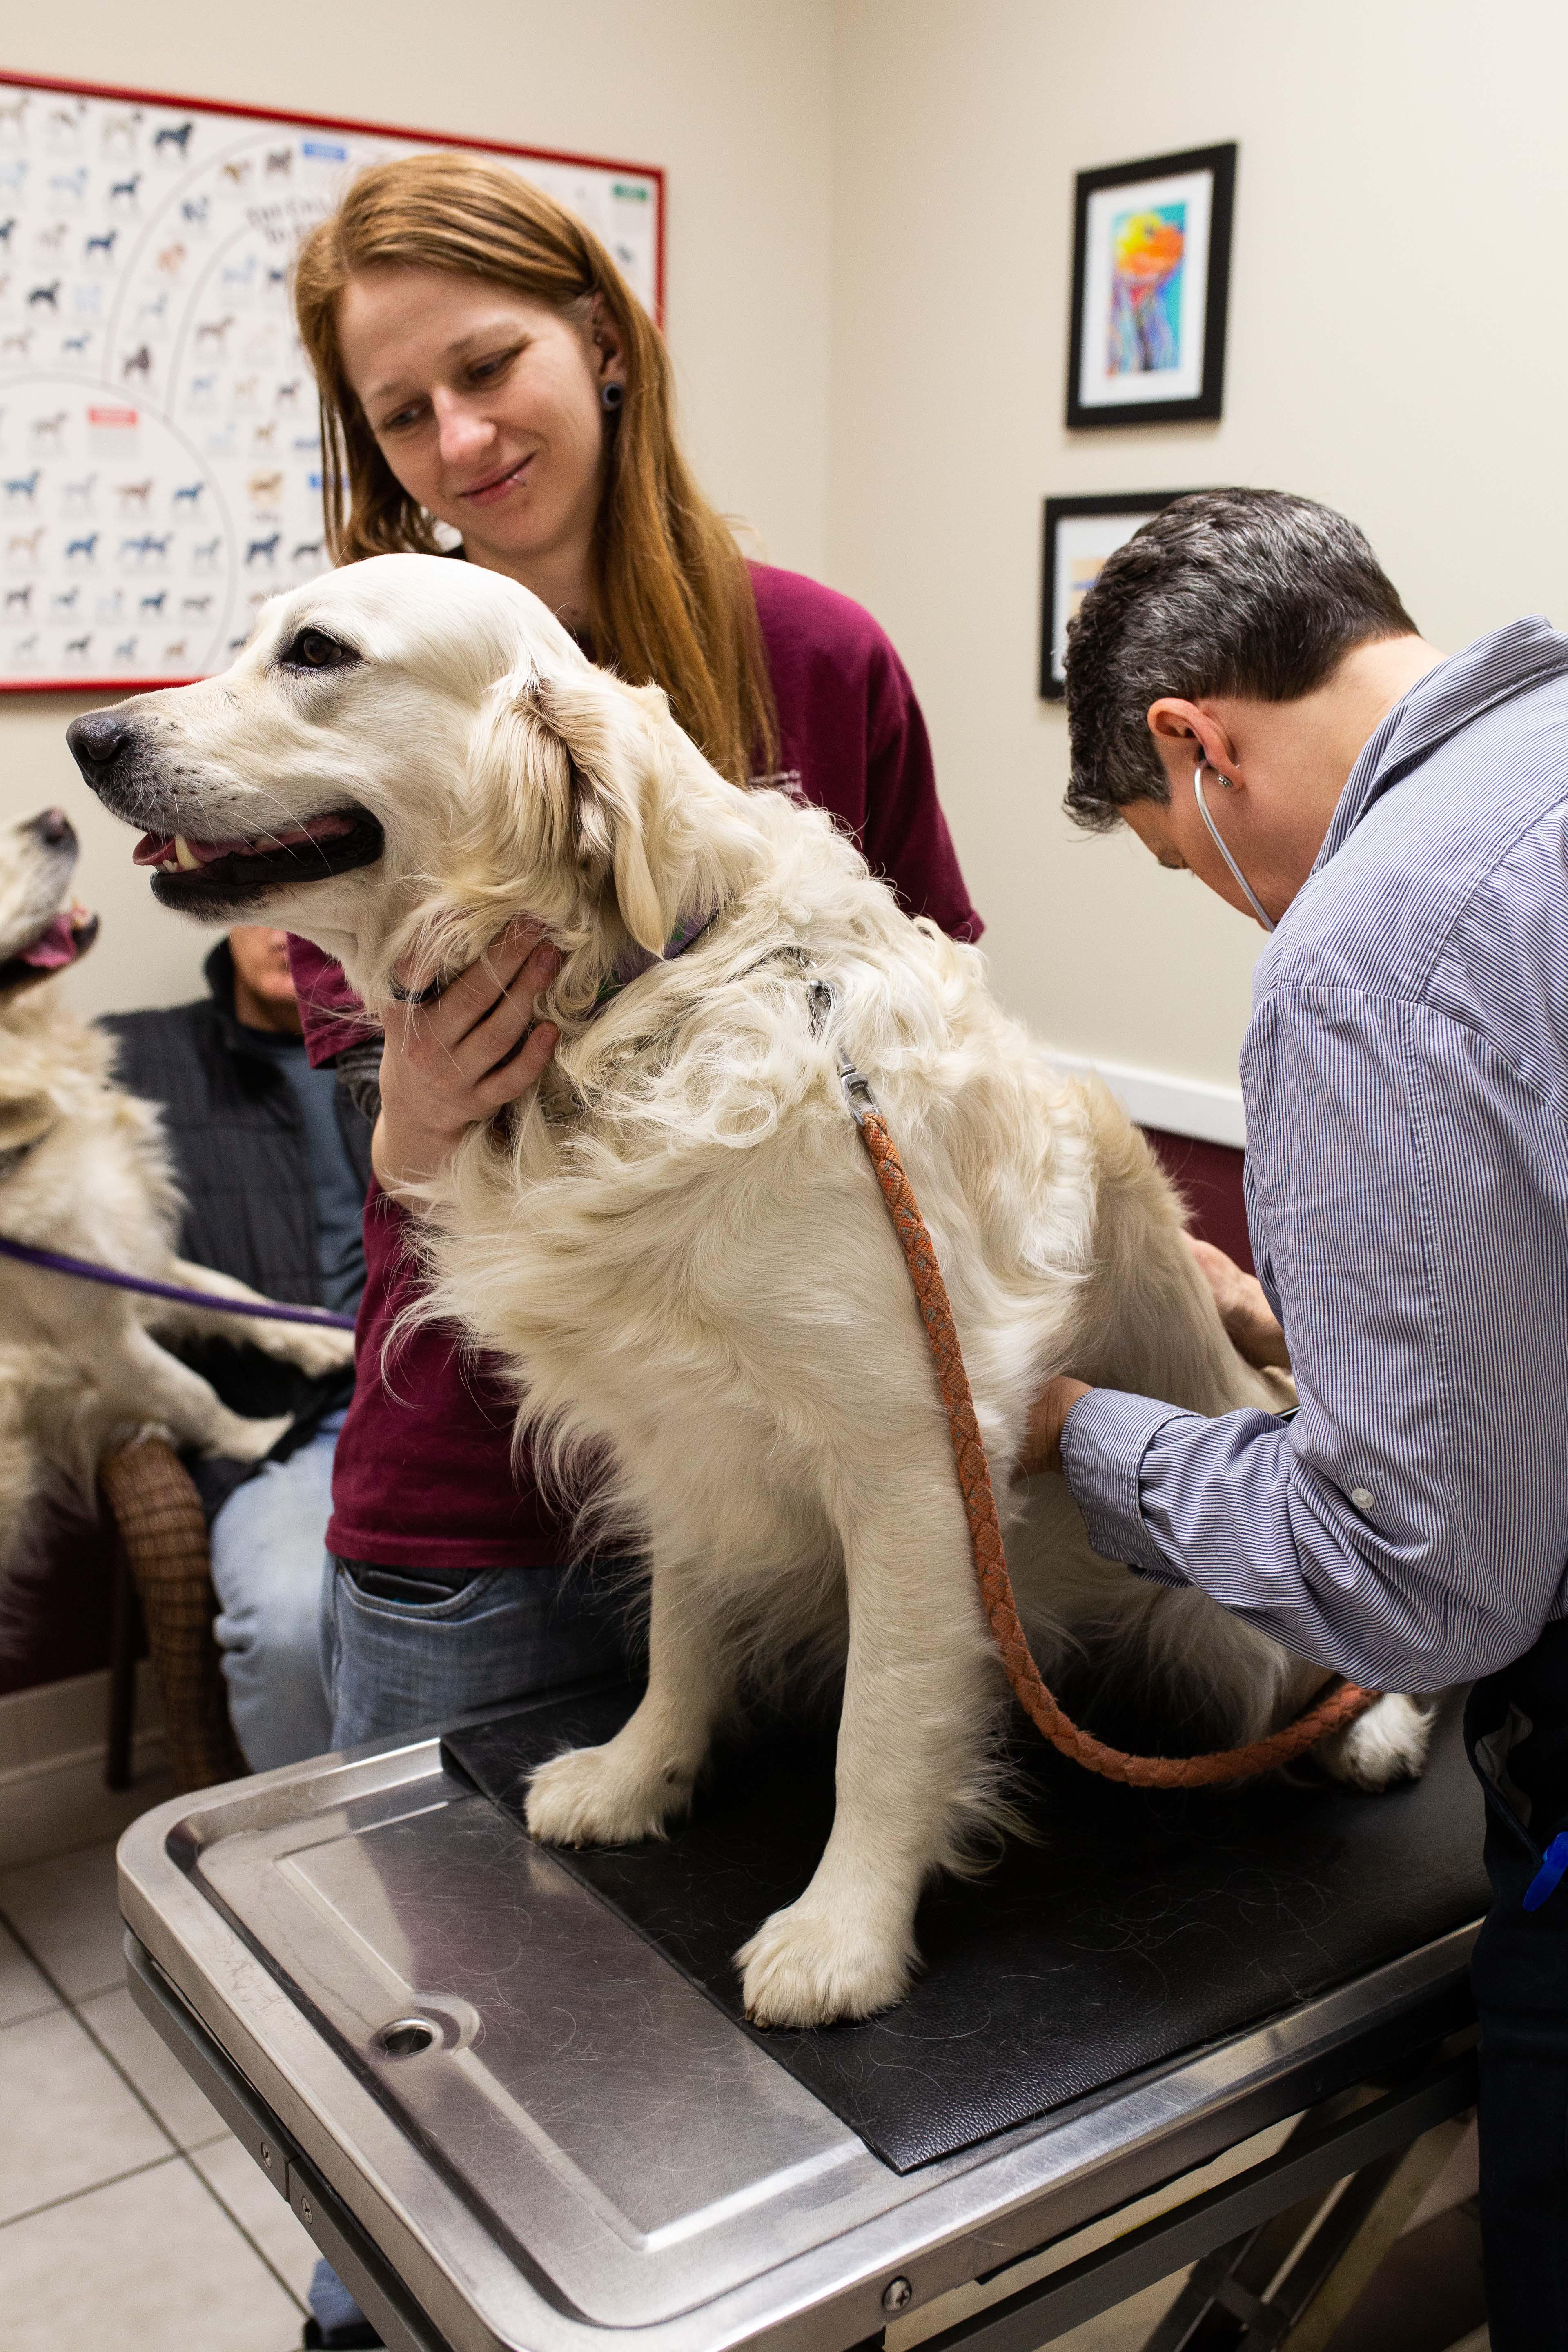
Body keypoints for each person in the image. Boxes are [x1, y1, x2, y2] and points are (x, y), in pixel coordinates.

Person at [281, 155, 980, 2349]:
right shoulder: (356, 677)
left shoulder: (817, 659)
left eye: (487, 366)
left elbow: (944, 1019)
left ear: (601, 333)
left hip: (801, 1480)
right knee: (452, 2159)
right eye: (402, 417)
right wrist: (405, 1111)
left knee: (761, 2160)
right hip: (485, 1509)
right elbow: (345, 1051)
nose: (461, 442)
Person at [1022, 488, 1568, 2352]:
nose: (1225, 895)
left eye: (1182, 861)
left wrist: (1086, 1432)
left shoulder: (1370, 952)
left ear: (1193, 738)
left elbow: (1425, 1588)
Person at [103, 926, 370, 1771]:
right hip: (278, 1437)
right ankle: (311, 1877)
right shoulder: (131, 1060)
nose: (282, 931)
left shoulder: (412, 1045)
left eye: (306, 904)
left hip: (431, 1407)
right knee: (290, 1624)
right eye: (261, 901)